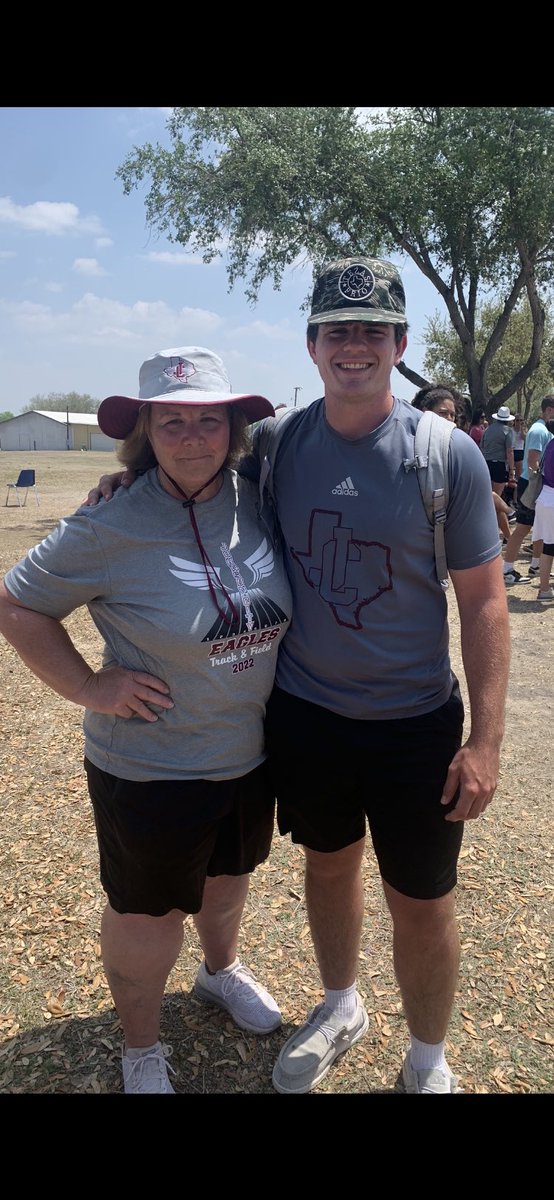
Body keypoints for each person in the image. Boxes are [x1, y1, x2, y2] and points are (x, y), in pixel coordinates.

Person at [87, 258, 509, 1096]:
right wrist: (132, 473)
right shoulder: (279, 444)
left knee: (423, 899)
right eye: (337, 331)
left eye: (373, 331)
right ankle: (341, 1003)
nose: (355, 346)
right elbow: (195, 467)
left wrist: (486, 739)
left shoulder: (447, 457)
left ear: (399, 344)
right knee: (329, 864)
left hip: (415, 719)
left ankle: (428, 1057)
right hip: (307, 715)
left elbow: (487, 604)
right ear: (312, 345)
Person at [0, 346, 293, 1094]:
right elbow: (15, 604)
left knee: (229, 878)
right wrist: (90, 687)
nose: (192, 437)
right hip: (154, 766)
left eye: (208, 420)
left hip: (249, 752)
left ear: (233, 430)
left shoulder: (259, 492)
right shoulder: (112, 521)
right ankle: (140, 1046)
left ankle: (219, 972)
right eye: (172, 424)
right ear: (146, 435)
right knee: (149, 912)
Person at [501, 396, 554, 584]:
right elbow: (533, 462)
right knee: (523, 528)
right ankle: (507, 569)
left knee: (539, 528)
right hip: (532, 485)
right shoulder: (540, 431)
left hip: (536, 484)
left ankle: (536, 564)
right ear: (549, 410)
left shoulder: (540, 429)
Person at [529, 436, 554, 601]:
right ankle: (544, 589)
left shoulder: (551, 444)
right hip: (552, 499)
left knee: (549, 547)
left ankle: (544, 589)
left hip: (545, 496)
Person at [480, 405, 517, 498]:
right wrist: (512, 469)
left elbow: (482, 447)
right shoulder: (508, 431)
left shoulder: (487, 429)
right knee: (497, 495)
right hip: (499, 465)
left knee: (487, 494)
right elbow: (510, 451)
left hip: (486, 463)